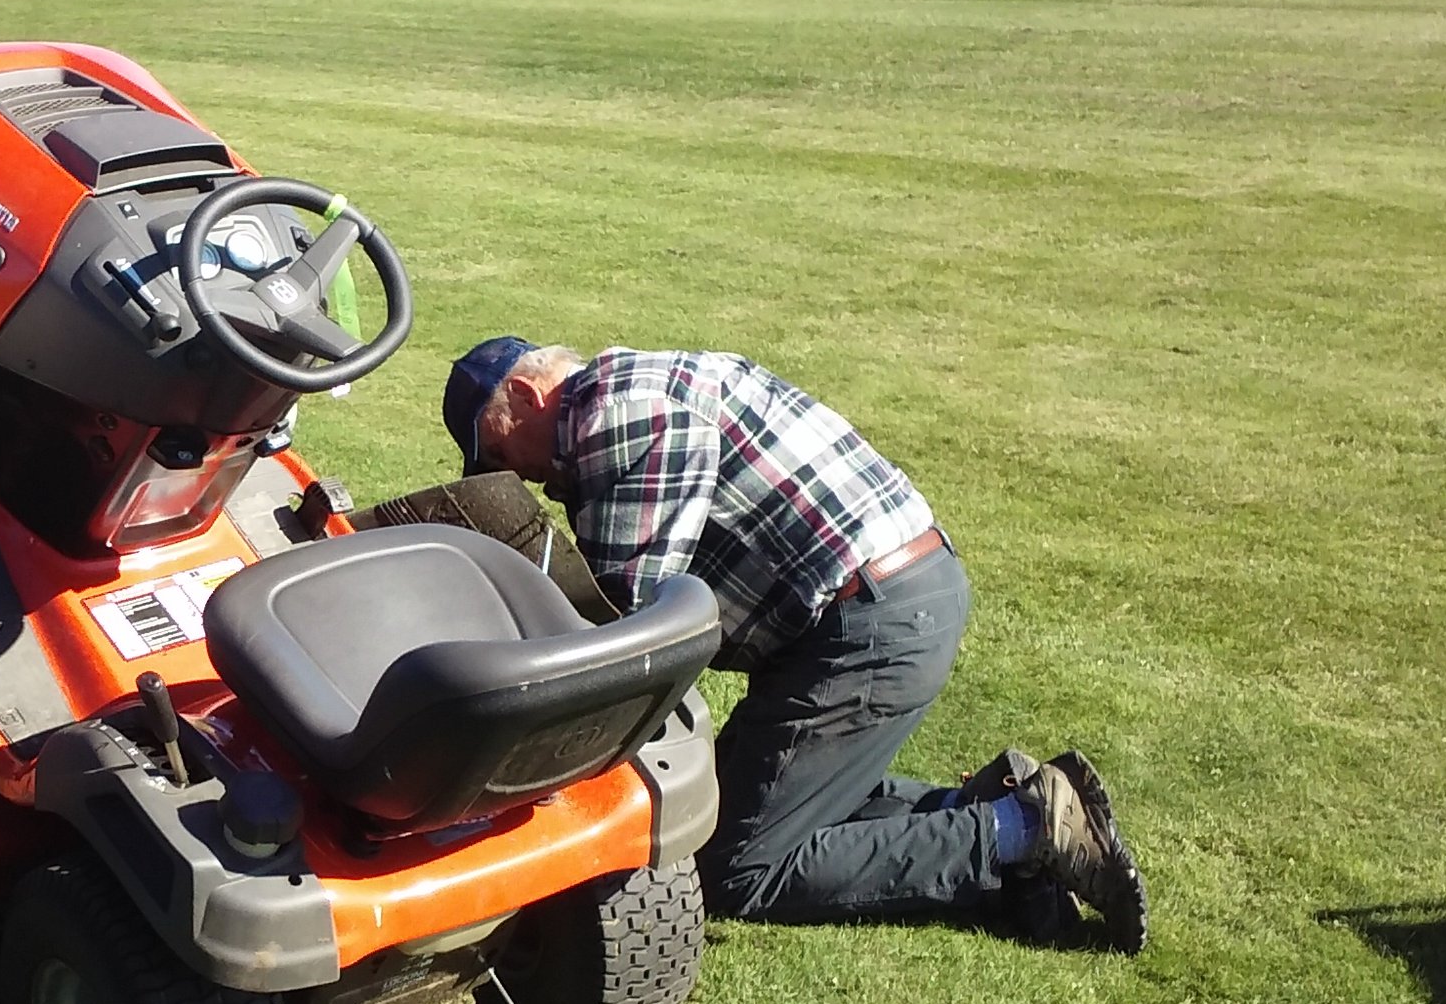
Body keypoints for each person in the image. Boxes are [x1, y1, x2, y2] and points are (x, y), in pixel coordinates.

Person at [442, 336, 1146, 950]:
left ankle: (1020, 832)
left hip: (868, 626)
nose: (521, 479)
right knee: (742, 806)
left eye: (503, 452)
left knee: (734, 865)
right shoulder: (646, 381)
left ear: (533, 397)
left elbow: (628, 632)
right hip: (893, 593)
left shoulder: (612, 418)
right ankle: (1003, 829)